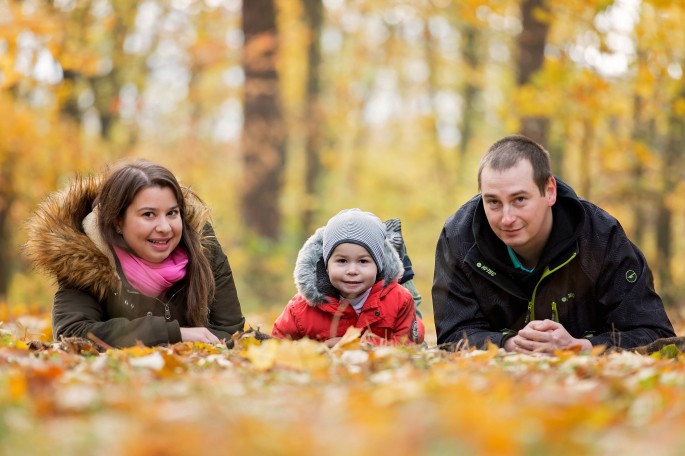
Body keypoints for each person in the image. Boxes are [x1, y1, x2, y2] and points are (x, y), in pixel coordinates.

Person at [432, 135, 675, 354]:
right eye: (493, 202)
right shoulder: (457, 239)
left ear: (549, 191)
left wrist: (582, 347)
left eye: (519, 199)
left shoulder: (601, 237)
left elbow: (656, 335)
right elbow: (452, 336)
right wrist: (508, 344)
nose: (506, 218)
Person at [24, 159, 245, 348]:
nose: (165, 227)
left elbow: (231, 332)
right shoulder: (85, 256)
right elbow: (71, 333)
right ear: (118, 222)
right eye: (149, 214)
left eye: (172, 213)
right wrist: (173, 334)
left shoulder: (202, 248)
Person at [272, 208, 424, 346]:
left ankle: (399, 255)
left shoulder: (399, 300)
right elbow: (278, 344)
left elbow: (409, 343)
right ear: (326, 265)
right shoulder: (301, 309)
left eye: (363, 261)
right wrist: (319, 350)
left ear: (378, 266)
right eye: (342, 261)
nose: (352, 270)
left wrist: (360, 345)